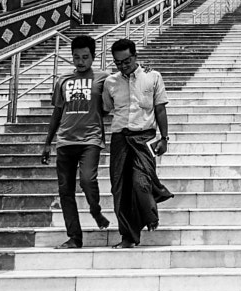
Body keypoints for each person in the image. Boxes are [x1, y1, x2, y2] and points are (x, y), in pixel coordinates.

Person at [102, 36, 173, 248]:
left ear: (135, 56)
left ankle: (150, 214)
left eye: (127, 61)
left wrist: (165, 137)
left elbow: (160, 108)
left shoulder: (153, 77)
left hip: (145, 137)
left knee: (141, 182)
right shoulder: (110, 82)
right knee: (120, 189)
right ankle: (128, 237)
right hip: (120, 138)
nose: (123, 66)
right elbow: (106, 108)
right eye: (118, 63)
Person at [40, 34, 110, 248]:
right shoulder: (63, 80)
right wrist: (47, 142)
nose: (80, 62)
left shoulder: (103, 78)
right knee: (65, 191)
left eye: (85, 57)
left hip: (90, 139)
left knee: (88, 180)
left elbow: (112, 103)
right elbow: (57, 112)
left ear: (94, 56)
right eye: (76, 57)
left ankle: (95, 210)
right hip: (65, 140)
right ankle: (74, 237)